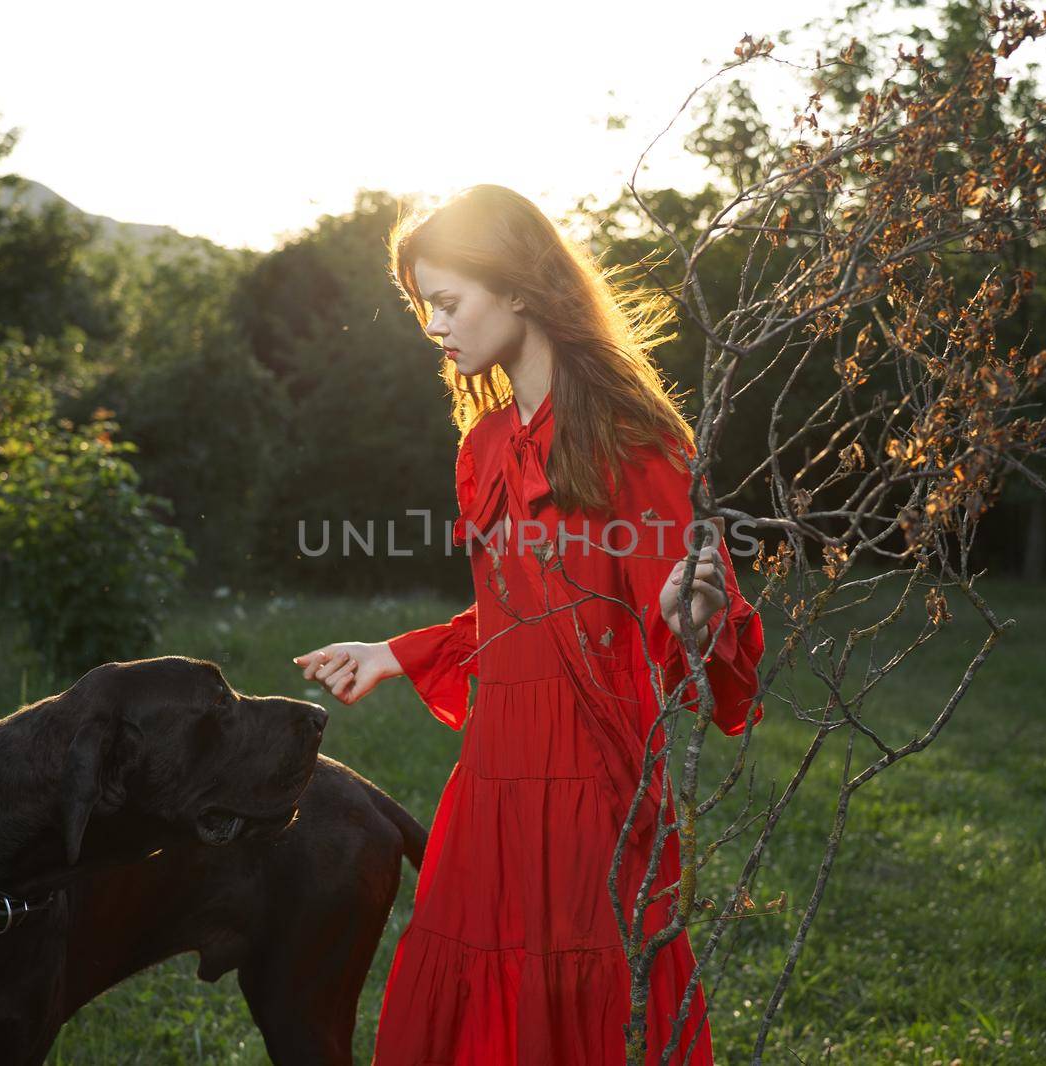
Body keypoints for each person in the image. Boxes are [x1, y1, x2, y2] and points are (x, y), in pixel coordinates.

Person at [291, 184, 765, 1065]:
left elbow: (687, 633)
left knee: (578, 1003)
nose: (434, 328)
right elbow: (520, 617)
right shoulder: (485, 447)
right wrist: (393, 653)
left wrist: (691, 619)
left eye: (447, 302)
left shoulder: (636, 442)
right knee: (472, 1001)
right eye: (423, 307)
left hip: (591, 785)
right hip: (492, 779)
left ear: (516, 287)